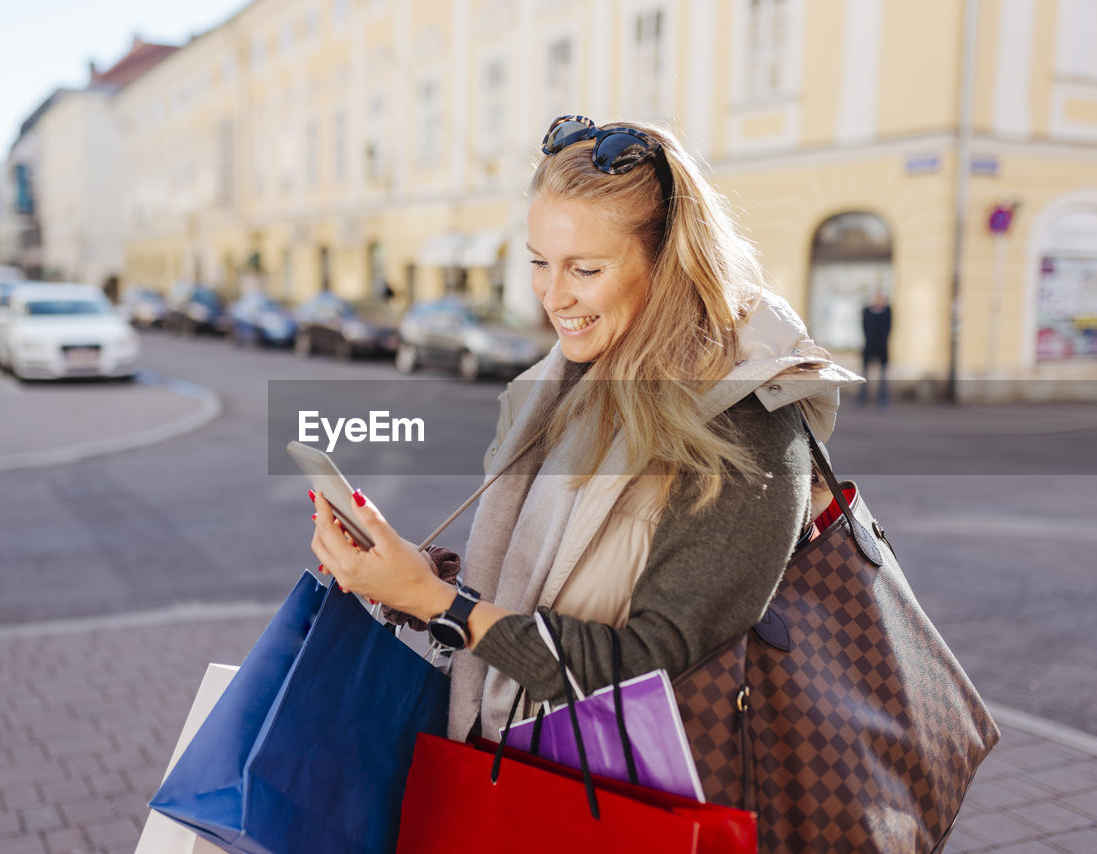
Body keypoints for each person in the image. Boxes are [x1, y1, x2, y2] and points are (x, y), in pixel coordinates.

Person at [309, 116, 858, 744]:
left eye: (586, 270)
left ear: (670, 264)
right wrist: (415, 583)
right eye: (541, 263)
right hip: (510, 760)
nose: (553, 296)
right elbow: (537, 603)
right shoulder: (560, 387)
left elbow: (652, 665)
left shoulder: (748, 418)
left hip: (627, 799)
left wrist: (445, 608)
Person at [859, 290, 892, 407]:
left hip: (882, 346)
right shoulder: (867, 311)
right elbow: (864, 327)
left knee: (883, 375)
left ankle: (882, 398)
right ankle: (862, 396)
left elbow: (889, 328)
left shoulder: (888, 311)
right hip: (869, 345)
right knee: (864, 374)